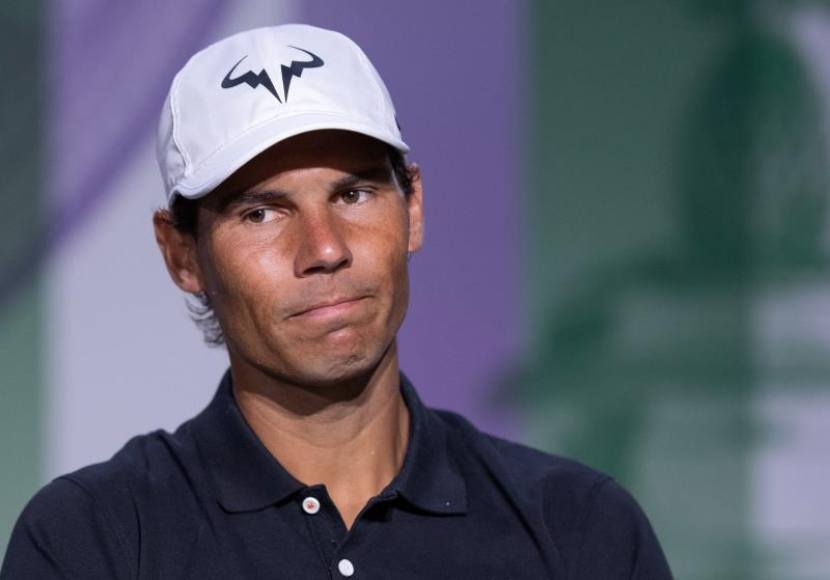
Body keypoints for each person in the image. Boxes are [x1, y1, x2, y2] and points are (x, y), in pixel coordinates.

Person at [1, 24, 673, 579]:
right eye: (262, 213)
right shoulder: (93, 542)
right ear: (182, 254)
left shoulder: (579, 529)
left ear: (412, 207)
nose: (323, 247)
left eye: (352, 195)